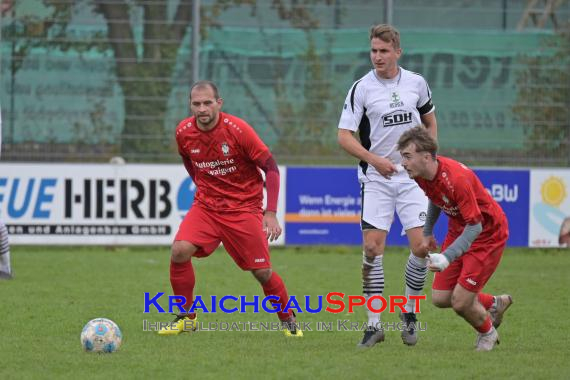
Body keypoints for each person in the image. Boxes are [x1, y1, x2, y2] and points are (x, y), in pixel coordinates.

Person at [158, 80, 302, 337]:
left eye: (207, 103)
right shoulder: (183, 131)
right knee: (179, 251)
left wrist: (269, 212)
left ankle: (287, 319)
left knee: (261, 271)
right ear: (190, 105)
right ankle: (186, 318)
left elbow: (270, 168)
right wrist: (202, 185)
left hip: (243, 208)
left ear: (219, 103)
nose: (202, 109)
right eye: (196, 104)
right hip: (207, 206)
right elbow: (188, 160)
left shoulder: (238, 130)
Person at [337, 24, 437, 347]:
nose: (377, 57)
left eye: (383, 51)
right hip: (377, 179)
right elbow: (343, 137)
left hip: (413, 181)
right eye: (373, 51)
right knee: (372, 248)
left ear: (397, 52)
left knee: (421, 247)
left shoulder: (417, 84)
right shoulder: (361, 88)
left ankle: (408, 313)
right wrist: (375, 160)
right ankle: (373, 324)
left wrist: (428, 160)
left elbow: (430, 121)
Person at [397, 126, 513, 351]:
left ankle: (487, 333)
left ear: (426, 157)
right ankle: (495, 303)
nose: (403, 163)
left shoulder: (456, 179)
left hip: (486, 235)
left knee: (460, 302)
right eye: (403, 157)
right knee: (441, 298)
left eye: (407, 157)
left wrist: (448, 256)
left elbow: (475, 226)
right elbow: (435, 198)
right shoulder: (421, 174)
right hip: (460, 229)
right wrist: (428, 231)